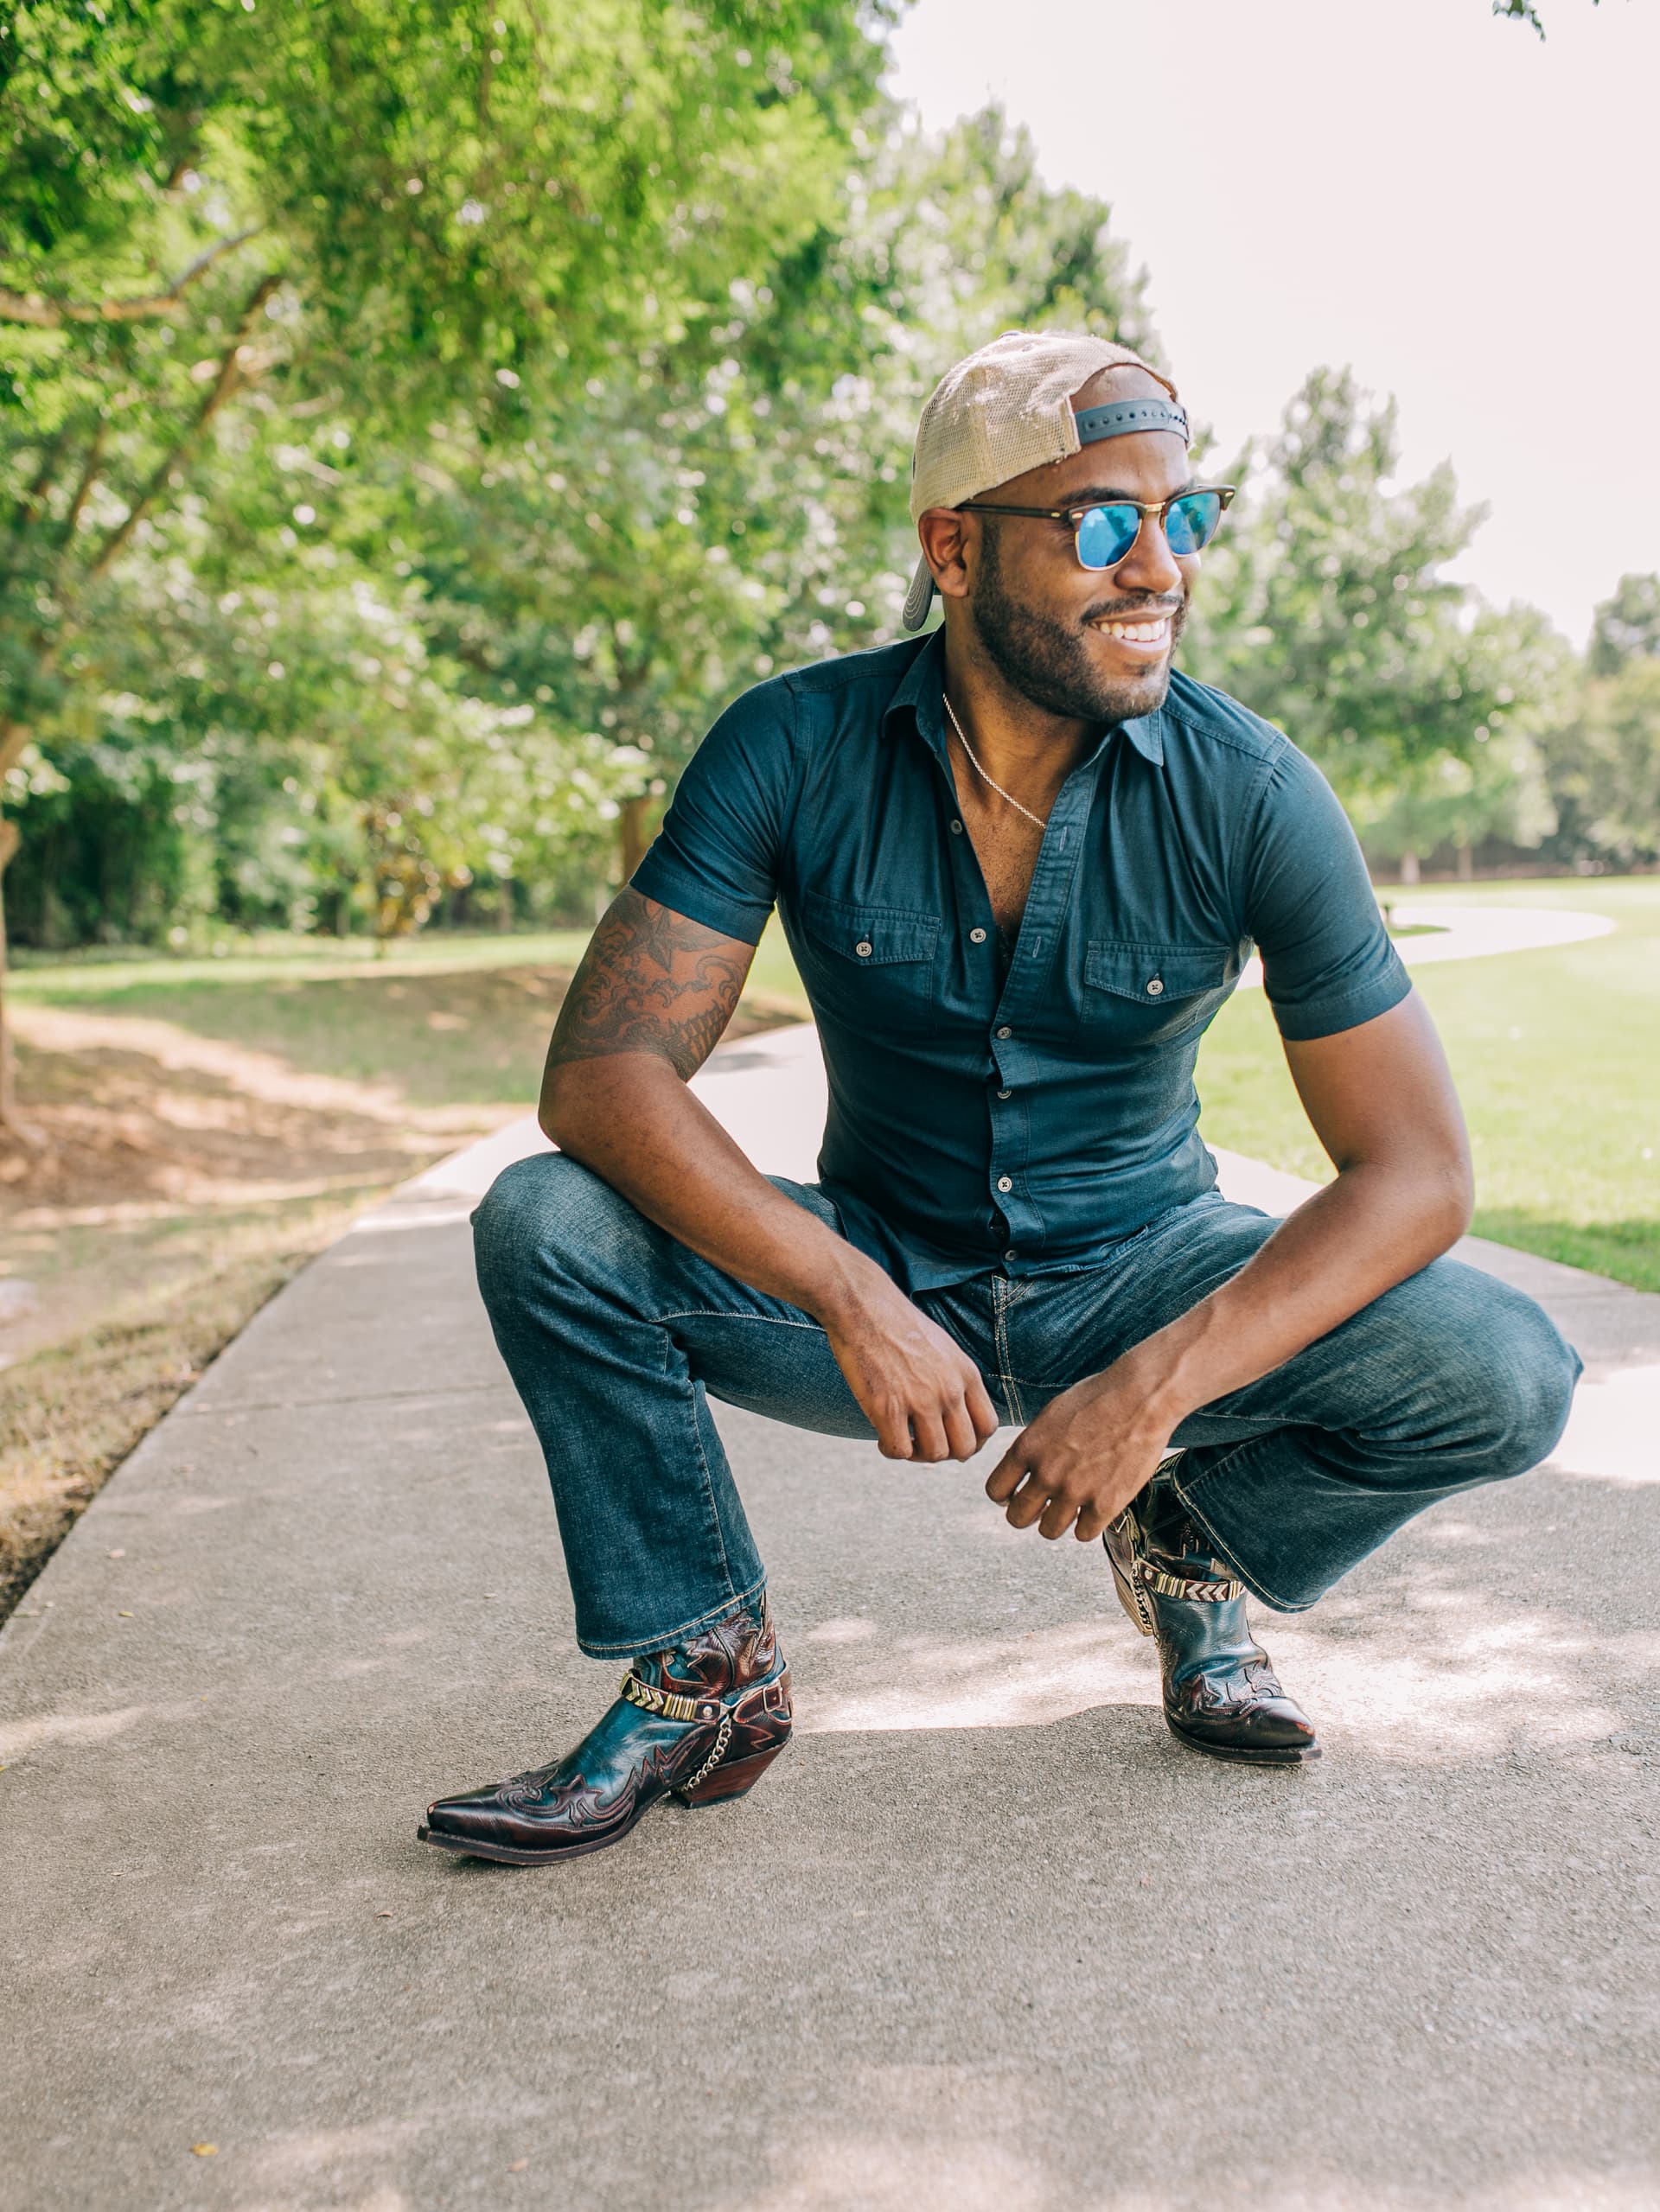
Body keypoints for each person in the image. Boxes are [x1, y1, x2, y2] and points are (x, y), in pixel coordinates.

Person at [419, 330, 1580, 1866]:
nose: (1158, 565)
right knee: (546, 1222)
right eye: (1104, 521)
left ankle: (1191, 1547)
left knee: (1506, 1370)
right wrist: (843, 1288)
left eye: (1186, 515)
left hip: (1146, 1272)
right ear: (953, 549)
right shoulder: (796, 744)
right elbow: (602, 1078)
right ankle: (706, 1672)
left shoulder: (1255, 792)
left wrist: (1158, 1392)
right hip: (891, 1273)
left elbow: (1418, 1173)